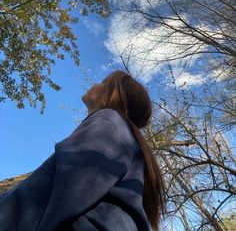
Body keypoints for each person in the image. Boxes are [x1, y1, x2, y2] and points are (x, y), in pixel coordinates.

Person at [0, 70, 167, 231]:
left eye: (103, 83)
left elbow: (62, 187)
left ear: (115, 94)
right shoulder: (127, 141)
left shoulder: (109, 121)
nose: (95, 84)